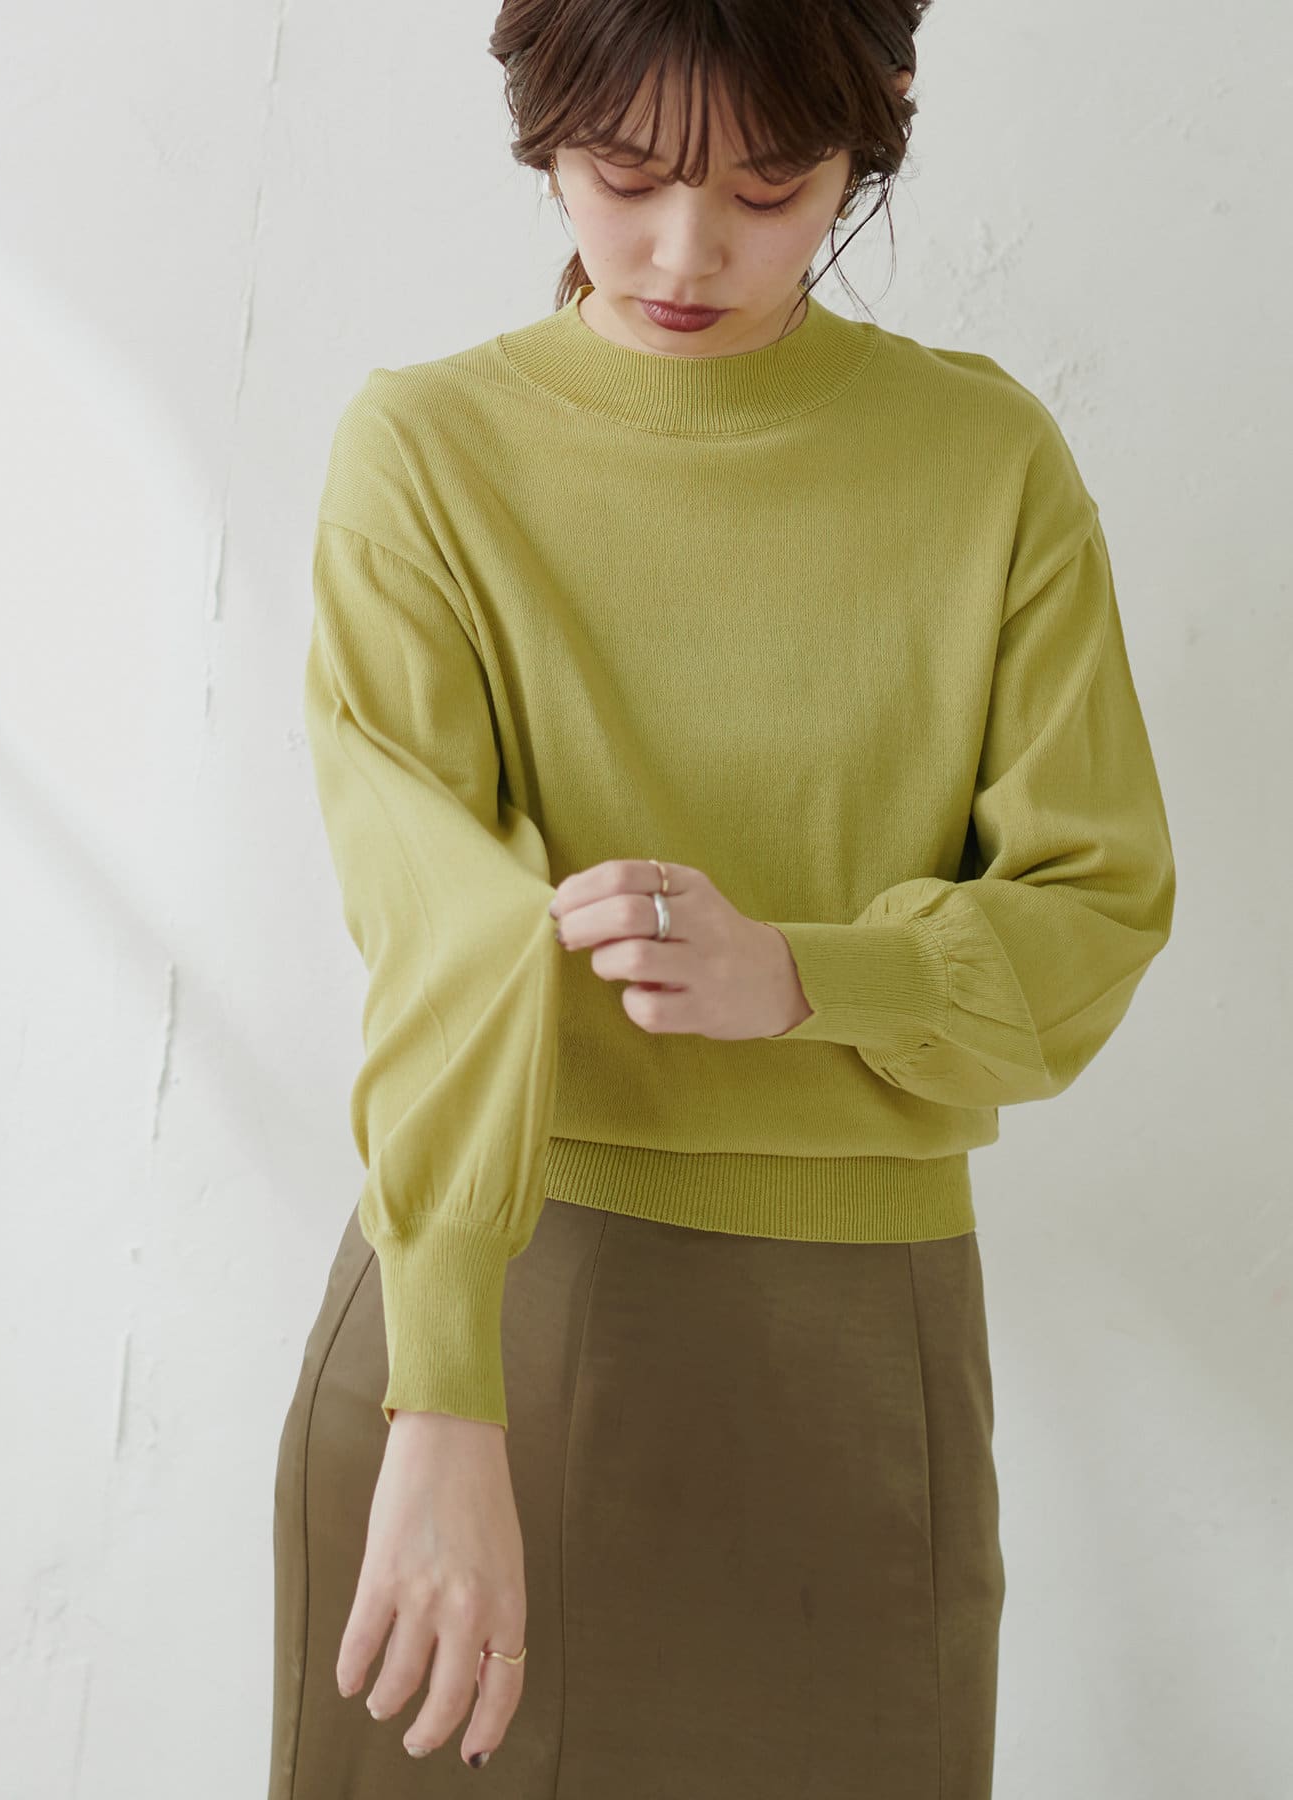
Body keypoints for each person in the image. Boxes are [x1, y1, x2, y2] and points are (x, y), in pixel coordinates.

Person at [269, 2, 1177, 1795]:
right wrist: (441, 1392)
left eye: (771, 191)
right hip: (492, 1297)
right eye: (625, 178)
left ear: (877, 127)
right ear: (543, 123)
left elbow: (1097, 907)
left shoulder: (986, 464)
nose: (686, 253)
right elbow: (440, 934)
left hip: (858, 1341)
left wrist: (807, 977)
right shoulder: (429, 454)